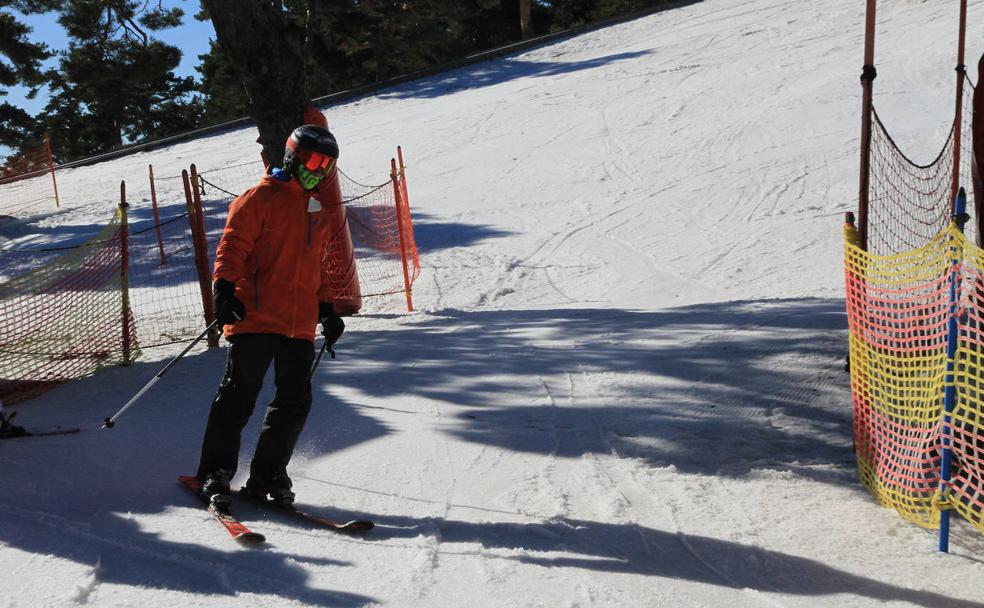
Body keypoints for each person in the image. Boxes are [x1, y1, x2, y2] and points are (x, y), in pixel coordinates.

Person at [195, 124, 347, 508]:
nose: (320, 170)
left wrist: (328, 310)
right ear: (292, 157)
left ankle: (267, 474)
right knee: (239, 395)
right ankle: (215, 471)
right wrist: (224, 289)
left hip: (298, 325)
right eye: (314, 160)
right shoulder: (259, 198)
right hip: (256, 316)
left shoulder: (318, 211)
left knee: (295, 402)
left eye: (328, 166)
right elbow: (231, 247)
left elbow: (319, 270)